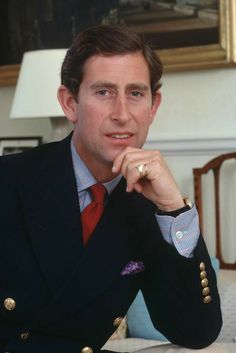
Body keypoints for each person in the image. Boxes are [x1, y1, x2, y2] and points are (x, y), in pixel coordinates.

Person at [0, 25, 222, 353]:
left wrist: (175, 209)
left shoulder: (153, 208)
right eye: (103, 92)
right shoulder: (10, 179)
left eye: (135, 93)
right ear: (70, 103)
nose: (122, 114)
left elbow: (194, 332)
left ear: (153, 106)